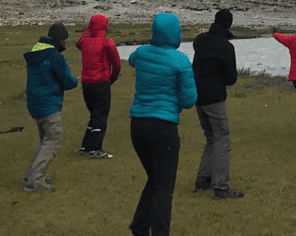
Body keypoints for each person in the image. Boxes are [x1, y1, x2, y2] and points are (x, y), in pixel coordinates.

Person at [128, 12, 197, 236]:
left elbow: (131, 61)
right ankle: (158, 232)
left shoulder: (142, 53)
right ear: (176, 33)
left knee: (155, 179)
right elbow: (189, 100)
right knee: (164, 186)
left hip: (138, 125)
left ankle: (139, 227)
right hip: (163, 127)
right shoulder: (180, 60)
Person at [192, 8, 243, 199]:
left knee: (211, 138)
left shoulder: (200, 40)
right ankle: (221, 186)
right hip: (215, 97)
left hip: (198, 95)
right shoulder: (225, 46)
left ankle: (203, 178)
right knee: (222, 138)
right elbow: (231, 78)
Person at [22, 22, 78, 193]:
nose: (65, 45)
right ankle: (37, 179)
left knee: (45, 140)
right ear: (59, 40)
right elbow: (68, 82)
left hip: (35, 103)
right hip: (49, 104)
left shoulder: (36, 51)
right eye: (65, 41)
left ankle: (30, 176)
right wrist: (75, 80)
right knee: (52, 142)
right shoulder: (54, 56)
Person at [76, 13, 122, 158]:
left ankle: (86, 146)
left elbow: (79, 42)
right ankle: (95, 149)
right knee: (101, 116)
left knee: (94, 114)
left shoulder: (85, 41)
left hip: (86, 83)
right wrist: (112, 79)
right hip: (101, 82)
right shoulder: (107, 42)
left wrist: (88, 30)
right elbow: (117, 64)